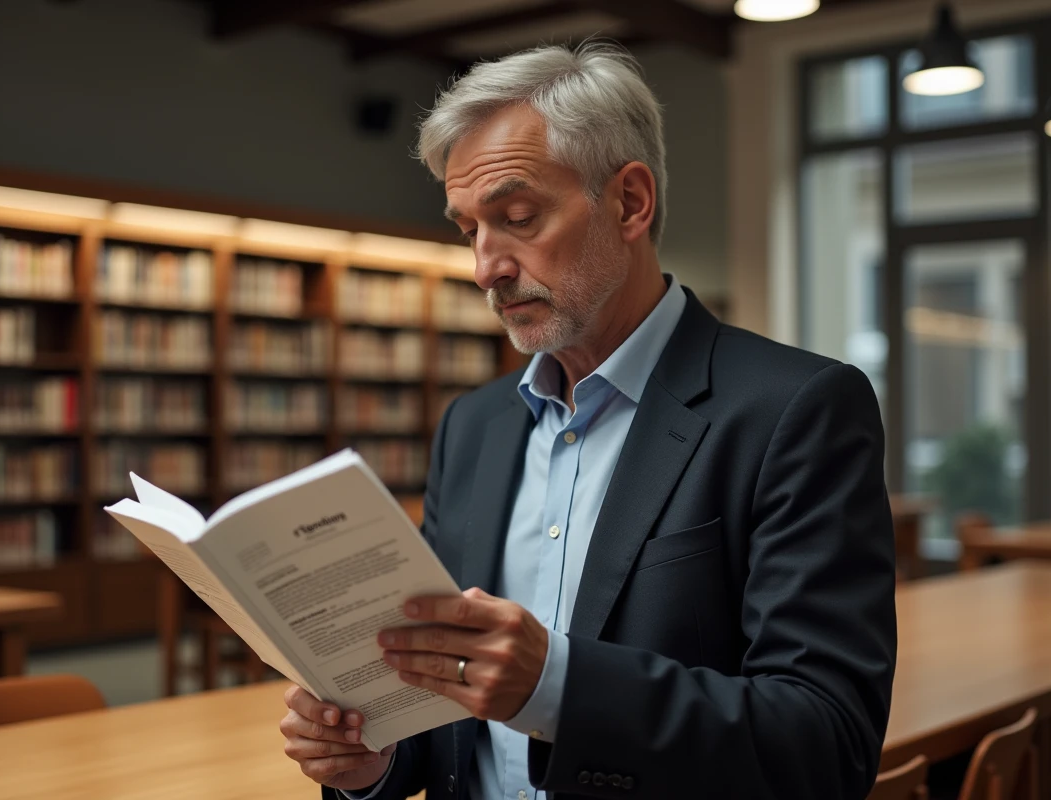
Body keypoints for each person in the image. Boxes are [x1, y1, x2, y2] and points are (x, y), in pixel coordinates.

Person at [279, 40, 897, 800]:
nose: (486, 268)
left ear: (631, 202)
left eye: (517, 217)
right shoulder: (473, 428)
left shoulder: (795, 410)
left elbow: (826, 744)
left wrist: (558, 686)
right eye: (470, 230)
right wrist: (372, 760)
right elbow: (444, 723)